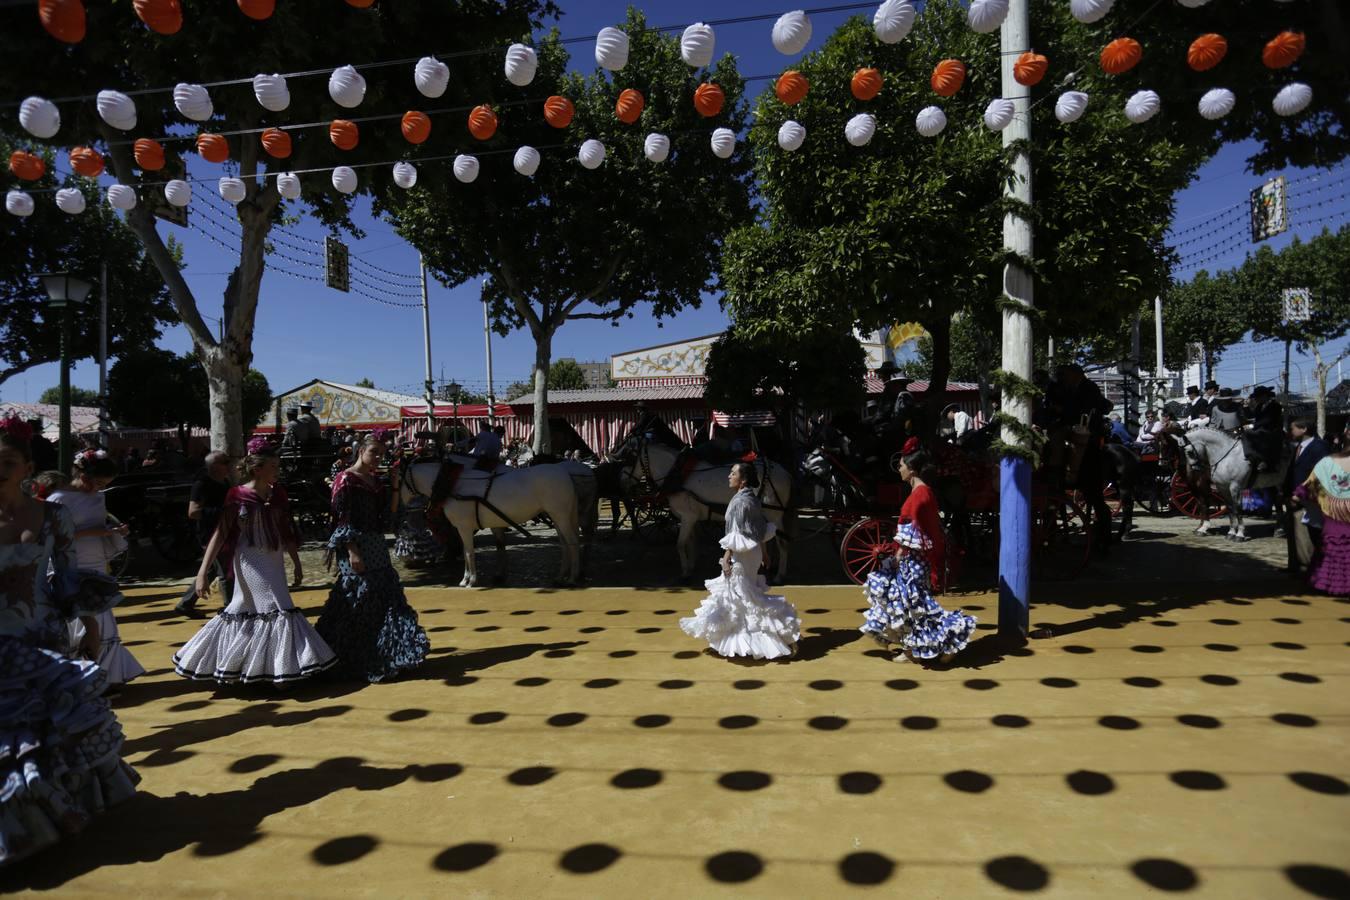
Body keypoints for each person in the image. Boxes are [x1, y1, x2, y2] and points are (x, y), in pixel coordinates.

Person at [0, 417, 140, 866]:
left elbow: (65, 579)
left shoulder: (53, 514)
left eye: (8, 461)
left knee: (48, 728)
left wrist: (84, 623)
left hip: (39, 638)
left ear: (27, 466)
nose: (0, 469)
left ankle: (53, 812)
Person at [172, 441, 336, 685]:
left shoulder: (277, 493)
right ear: (257, 469)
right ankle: (280, 671)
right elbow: (221, 533)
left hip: (274, 558)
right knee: (275, 607)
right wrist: (202, 572)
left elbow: (285, 530)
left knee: (246, 609)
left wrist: (296, 562)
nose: (277, 471)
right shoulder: (237, 495)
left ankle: (257, 667)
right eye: (273, 466)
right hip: (249, 560)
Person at [316, 437, 429, 682]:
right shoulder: (345, 479)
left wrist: (396, 486)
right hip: (354, 546)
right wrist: (353, 551)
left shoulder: (376, 481)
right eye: (374, 452)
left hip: (376, 543)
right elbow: (341, 519)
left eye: (382, 454)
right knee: (357, 600)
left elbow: (389, 515)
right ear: (360, 451)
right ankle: (347, 658)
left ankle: (386, 655)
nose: (379, 458)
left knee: (386, 598)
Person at [679, 462, 799, 659]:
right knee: (743, 596)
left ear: (742, 480)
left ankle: (776, 637)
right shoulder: (752, 498)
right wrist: (765, 553)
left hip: (742, 555)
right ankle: (747, 638)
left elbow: (736, 533)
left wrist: (726, 558)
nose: (728, 476)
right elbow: (758, 529)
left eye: (732, 473)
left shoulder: (739, 502)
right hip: (752, 554)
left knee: (742, 596)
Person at [49, 450, 145, 686]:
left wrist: (115, 534)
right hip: (70, 563)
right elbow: (54, 538)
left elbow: (100, 524)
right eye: (98, 483)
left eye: (104, 485)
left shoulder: (98, 498)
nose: (98, 489)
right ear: (83, 476)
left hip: (96, 561)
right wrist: (99, 532)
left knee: (102, 615)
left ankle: (106, 676)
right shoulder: (58, 499)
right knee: (77, 616)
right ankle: (79, 676)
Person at [861, 521, 976, 665]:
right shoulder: (929, 518)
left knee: (911, 609)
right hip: (918, 567)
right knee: (913, 609)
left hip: (911, 571)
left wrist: (895, 560)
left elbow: (905, 546)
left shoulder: (916, 515)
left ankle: (943, 644)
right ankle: (914, 649)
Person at [175, 451, 234, 614]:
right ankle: (230, 609)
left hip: (225, 530)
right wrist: (221, 512)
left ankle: (185, 604)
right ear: (214, 466)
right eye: (225, 462)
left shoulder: (225, 482)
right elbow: (193, 512)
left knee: (212, 570)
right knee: (225, 571)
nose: (229, 465)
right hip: (209, 533)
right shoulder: (202, 484)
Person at [1294, 426, 1350, 596]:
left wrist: (1296, 498)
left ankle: (1332, 584)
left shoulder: (1327, 463)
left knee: (1333, 547)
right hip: (1339, 515)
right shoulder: (1327, 461)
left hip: (1335, 516)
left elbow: (1306, 489)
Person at [1286, 419, 1330, 575]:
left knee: (1307, 535)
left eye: (1292, 428)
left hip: (1308, 499)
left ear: (1303, 429)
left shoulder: (1319, 447)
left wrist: (1302, 494)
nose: (1290, 431)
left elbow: (1321, 474)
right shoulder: (1298, 447)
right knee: (1294, 533)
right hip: (1293, 496)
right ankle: (1295, 566)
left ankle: (1309, 568)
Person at [1243, 386, 1284, 473]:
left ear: (1264, 396)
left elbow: (1269, 419)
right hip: (1260, 429)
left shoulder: (1275, 406)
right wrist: (1246, 406)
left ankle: (1257, 458)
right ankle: (1252, 457)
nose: (1256, 399)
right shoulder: (1259, 406)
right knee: (1245, 433)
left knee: (1248, 433)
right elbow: (1252, 416)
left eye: (1257, 397)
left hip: (1272, 430)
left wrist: (1253, 426)